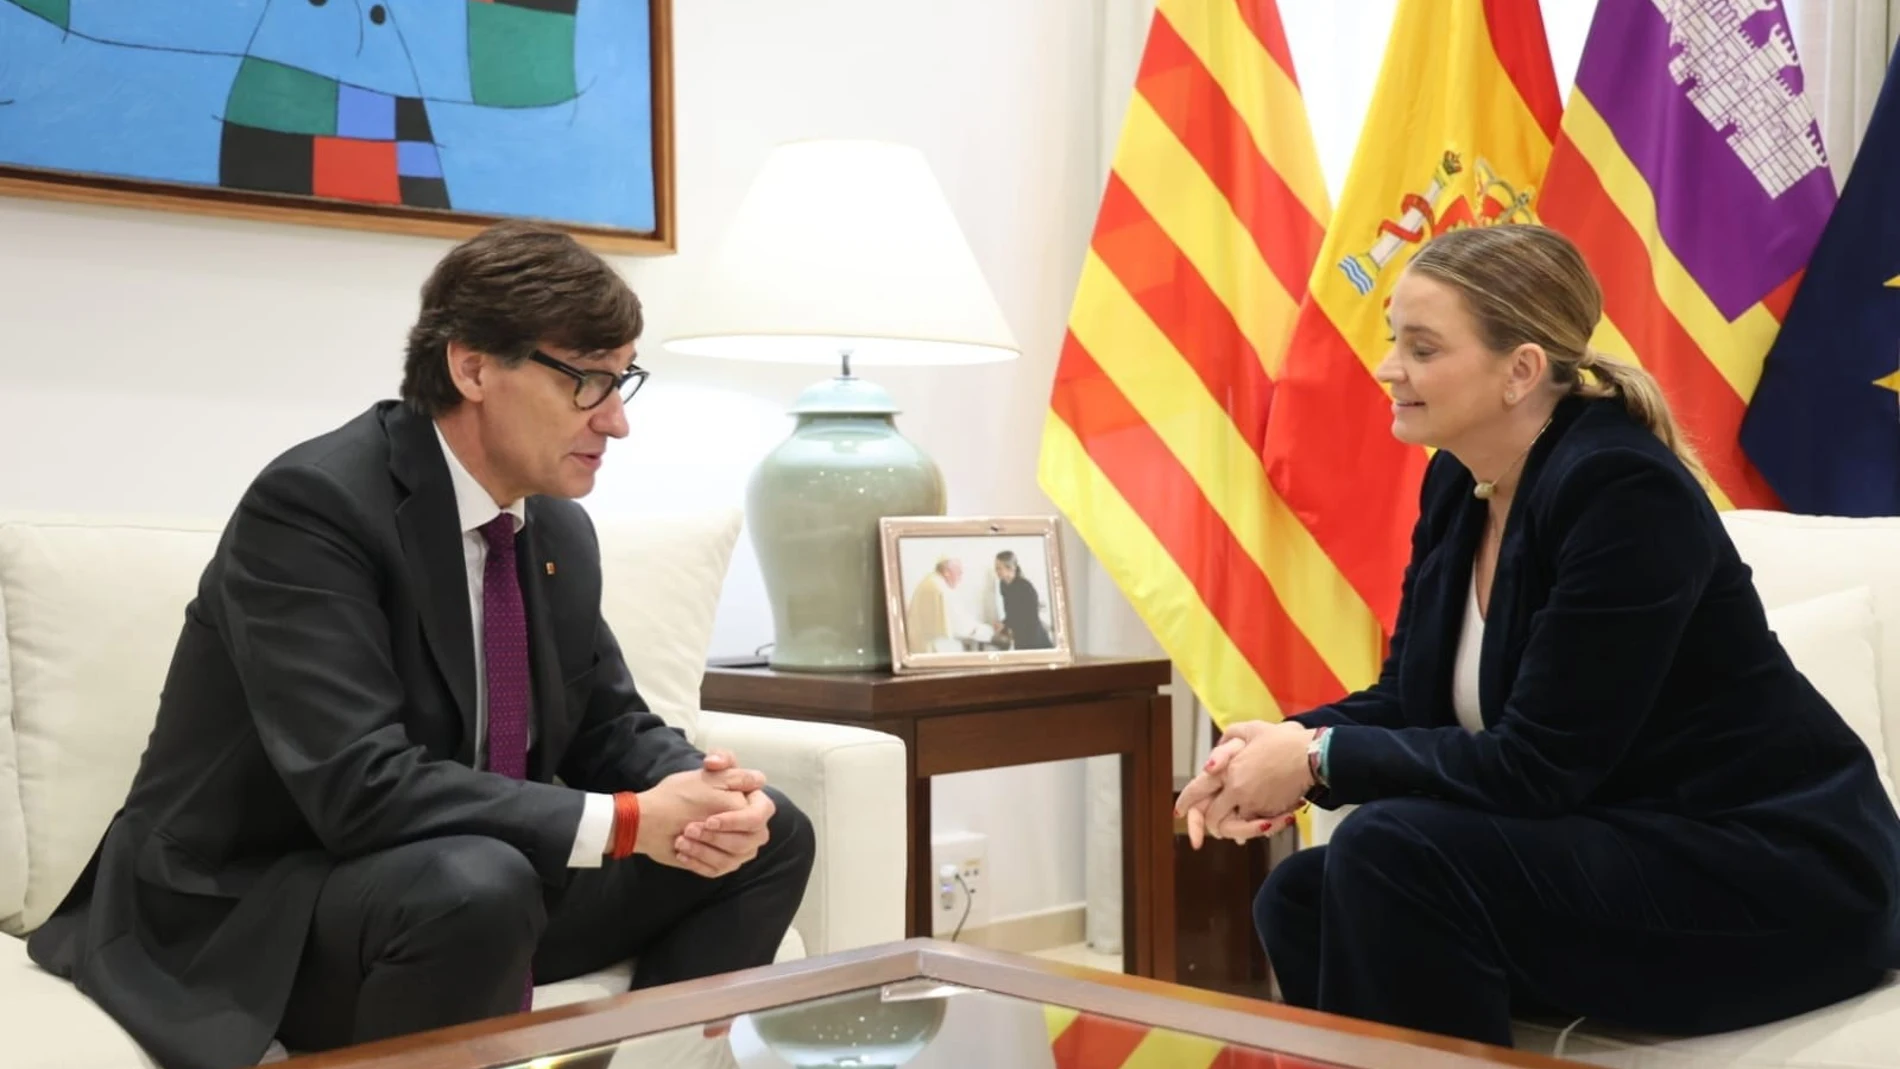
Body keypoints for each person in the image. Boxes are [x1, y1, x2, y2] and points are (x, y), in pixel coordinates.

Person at [26, 221, 816, 1069]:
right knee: (478, 883)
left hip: (463, 880)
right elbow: (357, 785)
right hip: (263, 903)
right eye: (587, 381)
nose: (616, 421)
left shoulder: (553, 528)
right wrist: (627, 823)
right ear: (472, 366)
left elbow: (609, 726)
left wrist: (697, 792)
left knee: (772, 835)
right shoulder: (313, 508)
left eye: (623, 380)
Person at [1174, 224, 1900, 1047]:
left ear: (1519, 370)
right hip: (1631, 842)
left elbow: (1539, 766)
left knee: (1388, 849)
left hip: (1775, 883)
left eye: (1421, 348)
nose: (1387, 369)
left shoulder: (1623, 491)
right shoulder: (1459, 479)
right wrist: (1284, 744)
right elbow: (1411, 700)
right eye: (1392, 342)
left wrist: (1315, 761)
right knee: (1303, 892)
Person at [904, 557, 997, 653]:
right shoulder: (940, 588)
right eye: (959, 573)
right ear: (946, 572)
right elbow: (960, 625)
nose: (960, 578)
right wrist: (988, 631)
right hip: (935, 647)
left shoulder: (931, 581)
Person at [992, 551, 1051, 649]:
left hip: (1034, 639)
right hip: (1021, 636)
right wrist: (1003, 624)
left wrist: (1004, 626)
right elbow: (1012, 613)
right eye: (996, 568)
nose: (996, 571)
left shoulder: (1025, 587)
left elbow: (1027, 618)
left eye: (999, 568)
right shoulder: (1003, 585)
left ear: (1011, 568)